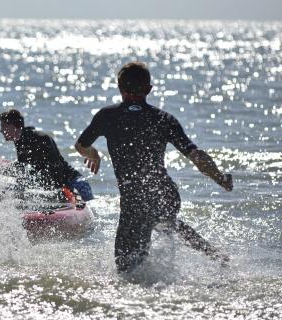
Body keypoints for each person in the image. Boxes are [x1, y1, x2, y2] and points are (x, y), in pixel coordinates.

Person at [74, 62, 233, 272]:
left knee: (125, 267)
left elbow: (81, 145)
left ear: (120, 88)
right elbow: (195, 155)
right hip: (164, 193)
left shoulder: (107, 116)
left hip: (134, 199)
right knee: (164, 221)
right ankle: (213, 254)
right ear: (149, 89)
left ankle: (151, 289)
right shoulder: (163, 119)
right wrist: (219, 178)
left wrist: (93, 154)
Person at [0, 109, 93, 202]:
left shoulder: (41, 138)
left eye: (3, 127)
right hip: (55, 183)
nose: (1, 131)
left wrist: (63, 193)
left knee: (84, 194)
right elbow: (22, 168)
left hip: (73, 181)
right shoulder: (19, 141)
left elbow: (56, 168)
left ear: (13, 127)